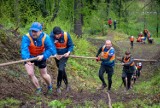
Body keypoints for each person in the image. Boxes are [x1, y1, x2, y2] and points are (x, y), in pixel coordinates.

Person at [21, 22, 57, 95]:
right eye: (32, 31)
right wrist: (26, 59)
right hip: (30, 56)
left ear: (40, 31)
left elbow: (50, 49)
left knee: (44, 74)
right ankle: (38, 89)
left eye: (36, 31)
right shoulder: (26, 37)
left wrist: (43, 56)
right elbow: (24, 49)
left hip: (41, 55)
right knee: (30, 73)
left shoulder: (46, 38)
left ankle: (50, 86)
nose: (33, 33)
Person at [50, 26, 74, 93]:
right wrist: (55, 54)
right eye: (55, 35)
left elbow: (71, 45)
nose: (57, 36)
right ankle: (67, 85)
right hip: (57, 55)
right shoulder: (51, 36)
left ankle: (58, 86)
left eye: (58, 34)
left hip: (65, 55)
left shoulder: (66, 35)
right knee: (62, 69)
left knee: (60, 69)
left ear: (61, 33)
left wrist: (68, 52)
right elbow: (51, 45)